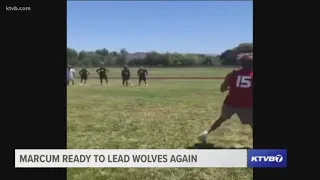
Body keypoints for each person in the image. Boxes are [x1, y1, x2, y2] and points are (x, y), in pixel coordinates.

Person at [198, 55, 253, 144]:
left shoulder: (232, 74)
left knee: (221, 119)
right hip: (246, 105)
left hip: (230, 103)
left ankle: (205, 134)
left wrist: (232, 88)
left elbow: (222, 89)